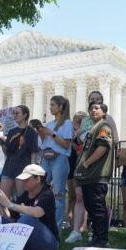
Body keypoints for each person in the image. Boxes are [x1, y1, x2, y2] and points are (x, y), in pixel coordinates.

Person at [73, 102, 114, 247]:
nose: (93, 111)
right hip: (88, 176)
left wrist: (87, 162)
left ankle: (102, 239)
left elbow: (103, 146)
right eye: (91, 109)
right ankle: (96, 237)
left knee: (97, 208)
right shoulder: (93, 128)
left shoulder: (104, 127)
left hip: (98, 174)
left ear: (104, 112)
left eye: (96, 108)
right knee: (91, 207)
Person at [40, 95, 73, 230]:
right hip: (46, 158)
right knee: (41, 190)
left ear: (60, 107)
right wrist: (41, 134)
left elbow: (66, 145)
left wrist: (52, 134)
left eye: (53, 105)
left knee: (59, 194)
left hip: (60, 158)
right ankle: (42, 224)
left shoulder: (67, 123)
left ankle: (56, 229)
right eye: (50, 104)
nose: (50, 107)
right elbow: (44, 144)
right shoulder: (49, 124)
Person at [0, 105, 39, 199]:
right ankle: (3, 214)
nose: (15, 115)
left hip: (23, 169)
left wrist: (32, 172)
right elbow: (7, 152)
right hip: (8, 168)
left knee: (21, 199)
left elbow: (34, 153)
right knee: (2, 199)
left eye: (17, 113)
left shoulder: (31, 132)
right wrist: (2, 144)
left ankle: (21, 214)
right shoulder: (11, 131)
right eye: (14, 113)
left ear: (25, 115)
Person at [65, 112, 88, 244]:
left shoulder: (84, 132)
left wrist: (72, 143)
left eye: (77, 120)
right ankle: (69, 221)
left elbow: (81, 148)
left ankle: (82, 224)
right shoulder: (71, 132)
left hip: (79, 165)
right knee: (72, 196)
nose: (75, 122)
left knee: (80, 197)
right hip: (70, 164)